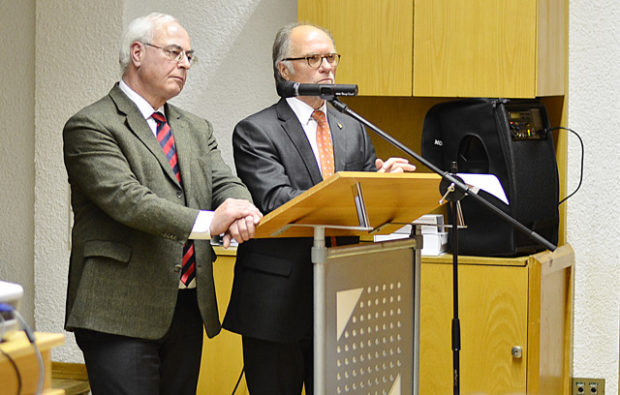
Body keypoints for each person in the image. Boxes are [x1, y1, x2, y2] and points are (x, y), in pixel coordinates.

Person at [62, 12, 262, 395]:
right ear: (137, 53)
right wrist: (211, 222)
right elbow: (128, 200)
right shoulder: (91, 124)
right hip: (120, 312)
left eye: (189, 55)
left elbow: (224, 181)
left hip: (187, 305)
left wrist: (241, 208)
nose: (185, 63)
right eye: (174, 52)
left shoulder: (195, 127)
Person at [222, 23, 415, 394]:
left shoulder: (351, 127)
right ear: (284, 70)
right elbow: (277, 199)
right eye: (313, 58)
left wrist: (382, 185)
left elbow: (362, 210)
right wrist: (350, 190)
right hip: (278, 299)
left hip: (344, 290)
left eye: (331, 57)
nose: (327, 66)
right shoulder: (256, 130)